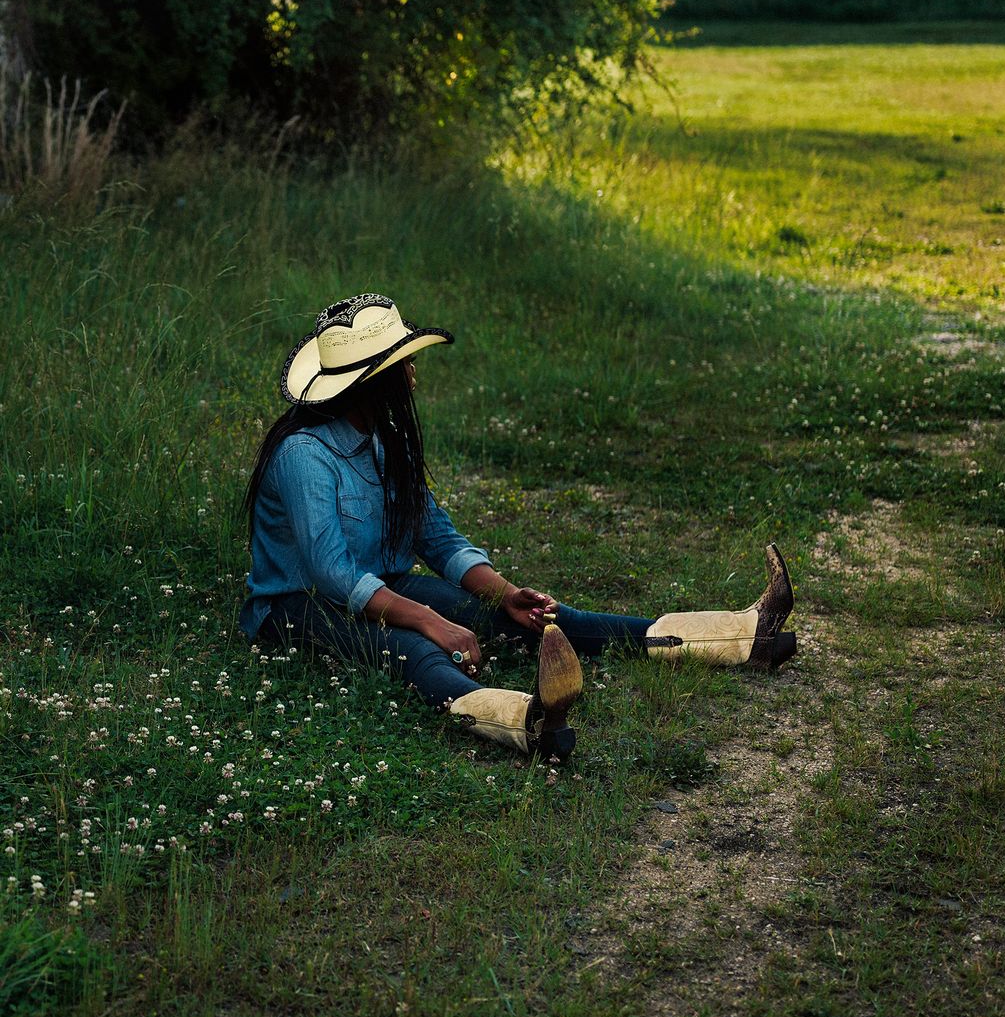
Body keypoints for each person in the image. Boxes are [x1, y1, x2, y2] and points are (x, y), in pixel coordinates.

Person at [241, 295, 796, 760]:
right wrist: (434, 620)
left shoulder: (388, 439)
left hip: (384, 584)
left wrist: (505, 595)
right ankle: (526, 723)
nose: (414, 373)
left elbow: (435, 535)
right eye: (401, 363)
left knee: (543, 620)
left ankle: (741, 637)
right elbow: (331, 574)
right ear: (370, 382)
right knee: (412, 649)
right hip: (299, 605)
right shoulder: (304, 456)